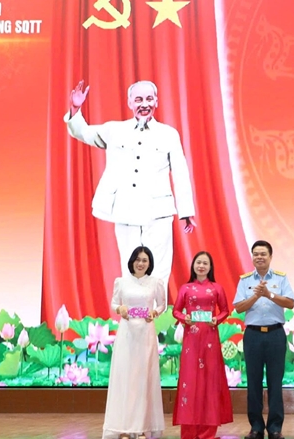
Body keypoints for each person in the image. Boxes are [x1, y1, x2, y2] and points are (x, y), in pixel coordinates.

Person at [65, 80, 196, 302]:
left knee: (159, 270)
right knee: (130, 267)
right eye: (139, 99)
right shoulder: (115, 130)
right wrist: (75, 108)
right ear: (130, 103)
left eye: (149, 99)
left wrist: (186, 211)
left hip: (158, 213)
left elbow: (181, 173)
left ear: (156, 102)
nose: (144, 104)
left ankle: (156, 319)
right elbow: (84, 132)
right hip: (126, 211)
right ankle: (133, 318)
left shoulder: (168, 134)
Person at [232, 240, 294, 439]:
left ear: (270, 257)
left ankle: (275, 428)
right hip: (253, 335)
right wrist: (256, 296)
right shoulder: (245, 280)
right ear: (252, 257)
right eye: (256, 254)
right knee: (253, 382)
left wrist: (268, 294)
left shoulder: (280, 278)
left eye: (263, 254)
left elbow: (290, 303)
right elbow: (239, 307)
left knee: (275, 382)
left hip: (276, 334)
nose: (259, 257)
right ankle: (256, 428)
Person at [103, 246, 167, 439]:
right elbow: (114, 303)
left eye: (145, 260)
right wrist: (120, 309)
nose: (141, 263)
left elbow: (162, 304)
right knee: (125, 378)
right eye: (138, 259)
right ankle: (123, 427)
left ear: (149, 263)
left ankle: (141, 427)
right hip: (127, 333)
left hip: (146, 333)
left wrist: (155, 312)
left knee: (143, 378)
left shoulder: (155, 282)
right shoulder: (121, 282)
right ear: (132, 261)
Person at [172, 251, 234, 439]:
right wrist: (185, 318)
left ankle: (207, 431)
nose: (201, 266)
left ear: (210, 267)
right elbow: (176, 311)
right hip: (191, 339)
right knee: (189, 380)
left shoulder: (216, 288)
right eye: (198, 262)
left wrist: (217, 319)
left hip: (210, 339)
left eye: (205, 263)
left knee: (209, 380)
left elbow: (225, 310)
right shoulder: (185, 288)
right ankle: (189, 430)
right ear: (193, 266)